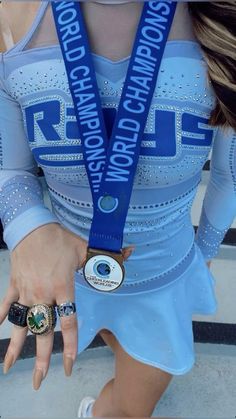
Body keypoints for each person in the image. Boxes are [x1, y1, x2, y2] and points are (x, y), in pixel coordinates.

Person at [0, 0, 235, 417]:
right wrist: (28, 227)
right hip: (69, 281)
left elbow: (226, 176)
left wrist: (205, 255)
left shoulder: (223, 22)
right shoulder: (12, 13)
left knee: (128, 411)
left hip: (161, 283)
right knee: (110, 334)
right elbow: (11, 166)